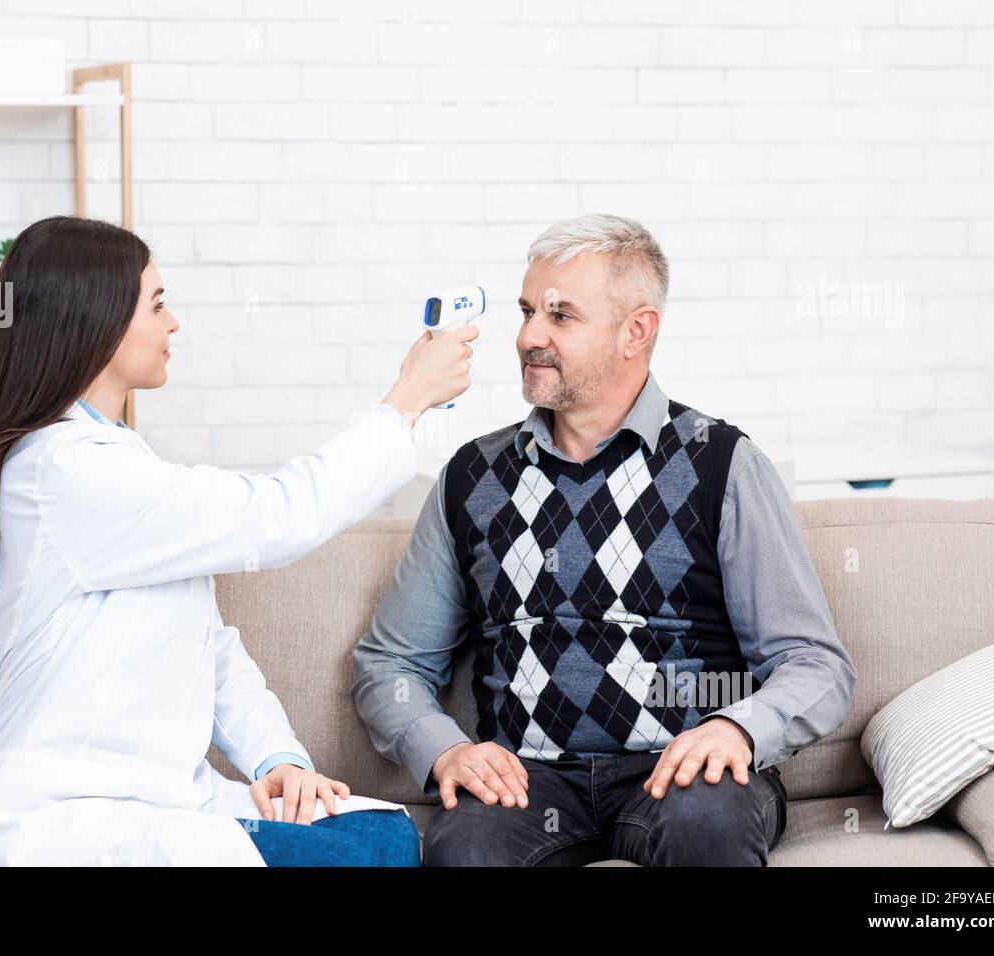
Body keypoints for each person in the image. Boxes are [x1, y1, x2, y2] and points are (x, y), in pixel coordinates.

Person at [0, 214, 476, 866]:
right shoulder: (65, 470)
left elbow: (209, 646)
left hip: (162, 801)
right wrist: (406, 402)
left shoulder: (119, 461)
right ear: (96, 322)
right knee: (363, 857)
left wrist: (277, 758)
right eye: (157, 305)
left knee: (385, 833)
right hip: (64, 820)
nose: (173, 324)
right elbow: (279, 515)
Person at [352, 213, 857, 866]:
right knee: (465, 851)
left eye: (561, 317)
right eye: (528, 310)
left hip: (683, 772)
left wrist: (737, 728)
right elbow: (390, 664)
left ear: (636, 331)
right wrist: (443, 749)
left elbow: (815, 662)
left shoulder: (722, 463)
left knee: (709, 826)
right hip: (525, 779)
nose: (529, 335)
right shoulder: (472, 476)